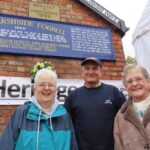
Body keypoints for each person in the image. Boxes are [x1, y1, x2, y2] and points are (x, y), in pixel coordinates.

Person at [0, 68, 78, 150]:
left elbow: (73, 146)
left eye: (51, 85)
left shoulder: (64, 115)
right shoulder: (21, 113)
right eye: (41, 84)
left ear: (56, 90)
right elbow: (6, 145)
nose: (46, 88)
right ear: (34, 89)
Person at [64, 57, 126, 150]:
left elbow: (125, 121)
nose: (91, 72)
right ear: (82, 72)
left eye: (94, 68)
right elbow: (67, 126)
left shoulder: (113, 92)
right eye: (87, 68)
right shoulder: (73, 96)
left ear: (101, 72)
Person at [114, 64, 150, 150]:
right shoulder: (120, 116)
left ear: (148, 81)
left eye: (138, 79)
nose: (134, 84)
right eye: (129, 81)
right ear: (126, 87)